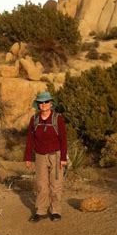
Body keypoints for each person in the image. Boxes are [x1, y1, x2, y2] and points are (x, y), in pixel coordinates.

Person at [24, 90, 68, 222]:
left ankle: (55, 211)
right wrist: (28, 158)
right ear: (37, 104)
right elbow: (30, 139)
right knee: (41, 185)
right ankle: (41, 211)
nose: (44, 104)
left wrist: (63, 158)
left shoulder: (57, 119)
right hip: (40, 156)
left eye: (46, 102)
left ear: (51, 103)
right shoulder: (34, 119)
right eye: (41, 102)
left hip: (55, 155)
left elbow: (63, 139)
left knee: (56, 184)